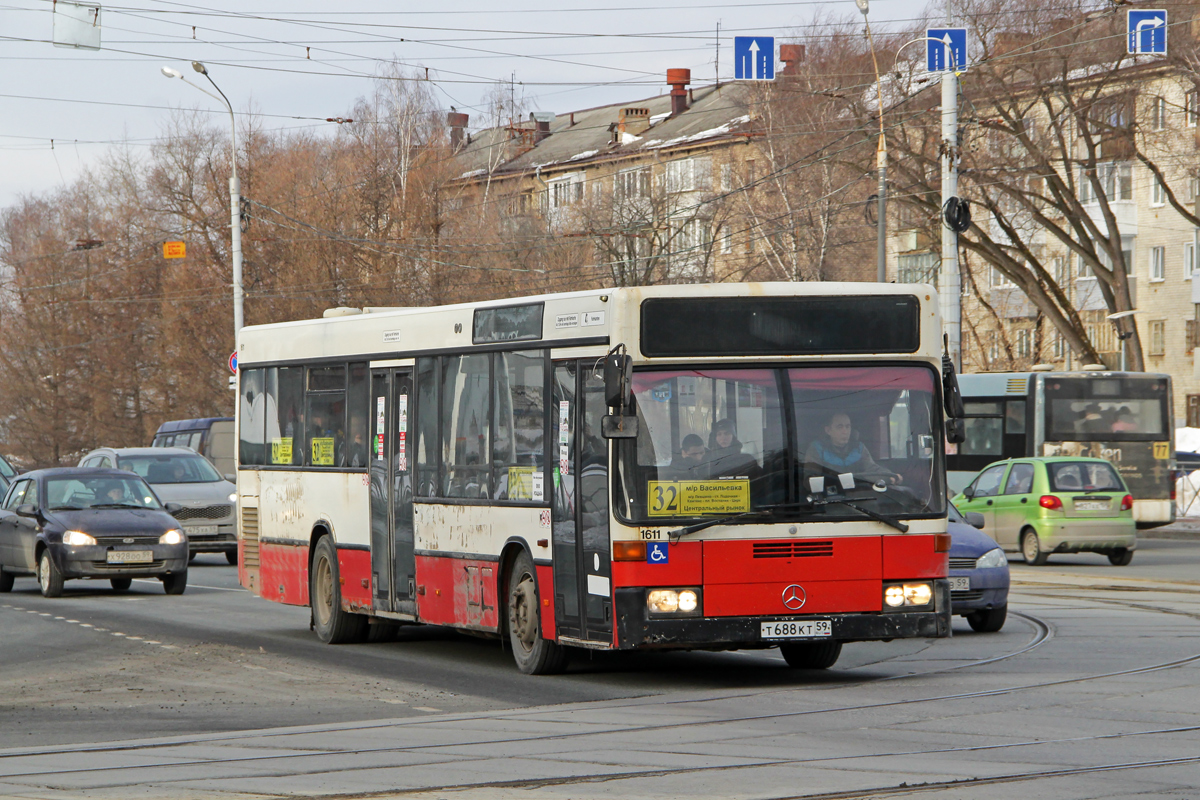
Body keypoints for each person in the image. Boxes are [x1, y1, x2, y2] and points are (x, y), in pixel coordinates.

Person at [804, 412, 901, 485]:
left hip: (858, 498)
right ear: (828, 430)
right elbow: (811, 478)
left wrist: (890, 475)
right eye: (840, 427)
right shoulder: (817, 449)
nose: (845, 431)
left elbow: (872, 469)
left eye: (847, 427)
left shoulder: (859, 448)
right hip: (829, 501)